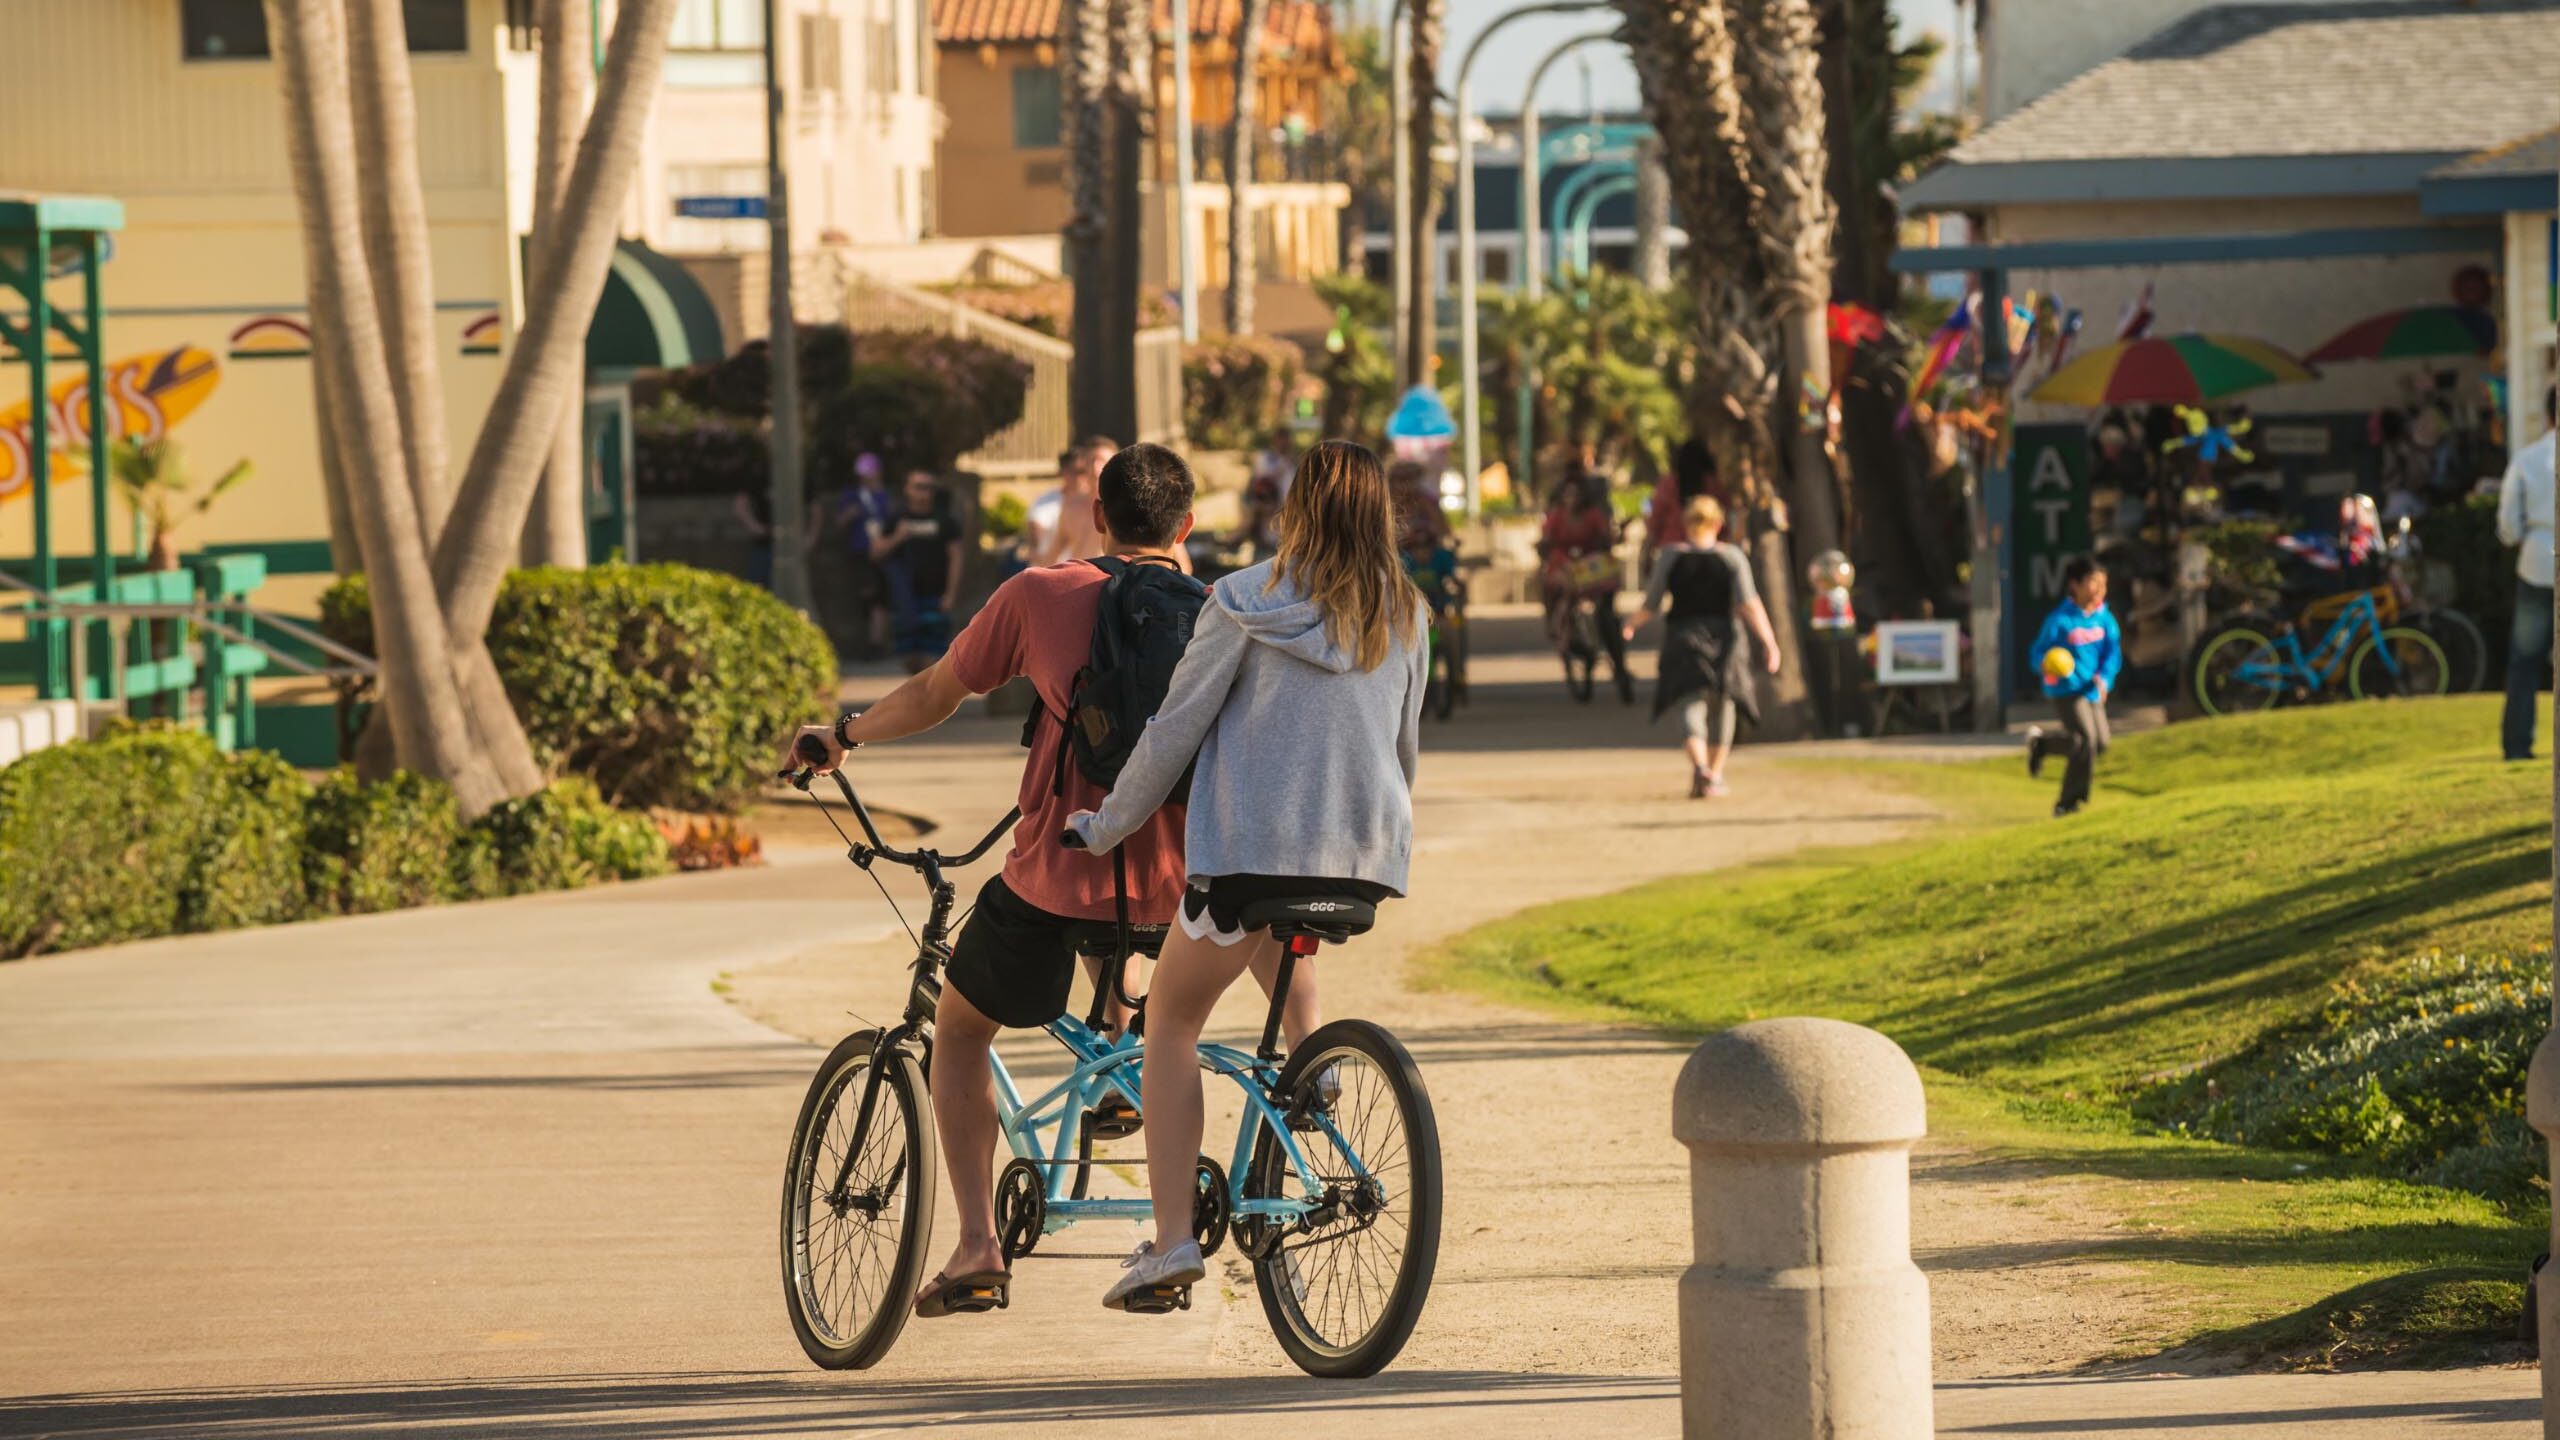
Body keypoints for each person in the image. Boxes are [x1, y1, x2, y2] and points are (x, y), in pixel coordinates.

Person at [780, 443, 1203, 1319]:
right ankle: (1120, 1061)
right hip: (1176, 876)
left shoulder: (1040, 594)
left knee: (963, 1029)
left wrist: (845, 736)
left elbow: (937, 692)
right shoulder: (1214, 610)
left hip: (1057, 870)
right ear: (1186, 527)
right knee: (1137, 968)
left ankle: (978, 1245)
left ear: (1096, 514)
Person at [1064, 440, 1426, 1312]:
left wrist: (1107, 826)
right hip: (1363, 858)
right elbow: (1404, 747)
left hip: (1252, 856)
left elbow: (1172, 733)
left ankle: (1171, 1242)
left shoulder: (1240, 598)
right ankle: (1314, 1068)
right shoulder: (1406, 610)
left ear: (1293, 509)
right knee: (1274, 927)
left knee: (1170, 1024)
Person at [1623, 495, 1779, 799]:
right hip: (1725, 639)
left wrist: (1631, 624)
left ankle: (1700, 767)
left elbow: (1651, 603)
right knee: (1725, 705)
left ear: (1686, 523)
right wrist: (1769, 642)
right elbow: (1749, 604)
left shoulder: (1671, 556)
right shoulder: (1731, 557)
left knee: (1689, 702)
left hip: (1684, 638)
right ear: (1718, 524)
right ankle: (1715, 774)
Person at [2024, 556, 2121, 818]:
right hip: (2066, 691)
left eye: (2103, 583)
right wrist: (2044, 664)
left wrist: (2105, 679)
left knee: (2100, 743)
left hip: (2091, 690)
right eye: (2093, 582)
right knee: (2085, 740)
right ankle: (2068, 802)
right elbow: (2037, 653)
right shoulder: (2060, 620)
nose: (2099, 589)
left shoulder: (2105, 619)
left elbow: (2112, 655)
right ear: (2075, 585)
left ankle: (2042, 745)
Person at [1538, 470, 1634, 702]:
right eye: (1568, 495)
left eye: (1576, 495)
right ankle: (1558, 628)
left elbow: (1606, 538)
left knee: (1607, 615)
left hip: (1592, 569)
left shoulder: (1593, 516)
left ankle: (1619, 665)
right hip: (1564, 568)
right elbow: (1546, 542)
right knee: (1552, 587)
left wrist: (1608, 541)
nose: (1572, 500)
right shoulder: (1557, 517)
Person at [2498, 389, 2556, 761]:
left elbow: (2507, 525)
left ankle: (2518, 744)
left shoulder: (2528, 459)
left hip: (2537, 560)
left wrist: (2519, 538)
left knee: (2525, 661)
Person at [876, 469, 966, 671]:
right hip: (904, 598)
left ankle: (928, 691)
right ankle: (920, 689)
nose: (924, 492)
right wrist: (897, 537)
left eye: (929, 487)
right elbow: (876, 552)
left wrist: (951, 594)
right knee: (909, 657)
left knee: (933, 655)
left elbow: (956, 557)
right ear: (907, 489)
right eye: (919, 486)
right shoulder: (896, 518)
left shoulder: (945, 520)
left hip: (935, 596)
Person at [1028, 436, 1117, 567]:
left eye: (1102, 461)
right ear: (1084, 464)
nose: (1095, 467)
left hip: (1111, 578)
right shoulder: (1071, 506)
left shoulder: (1120, 507)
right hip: (1079, 577)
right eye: (1091, 460)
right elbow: (1053, 553)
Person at [1643, 439, 1718, 569]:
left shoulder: (1668, 485)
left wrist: (1646, 553)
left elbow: (1655, 523)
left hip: (1672, 557)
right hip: (1708, 556)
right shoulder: (1713, 486)